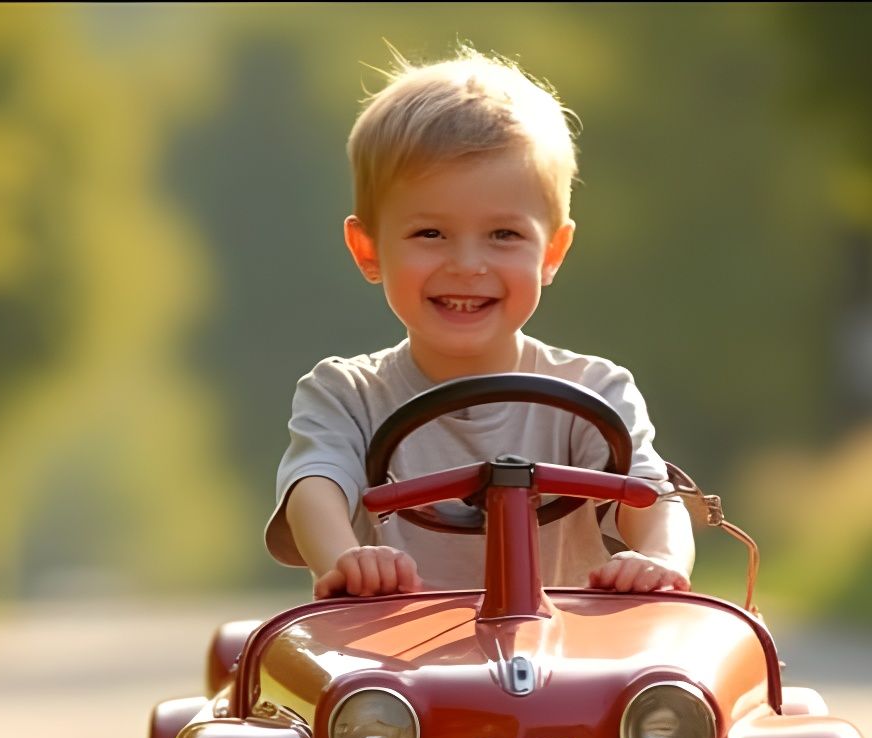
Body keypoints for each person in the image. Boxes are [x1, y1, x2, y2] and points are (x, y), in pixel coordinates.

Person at [264, 46, 694, 599]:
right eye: (430, 234)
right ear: (368, 248)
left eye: (504, 235)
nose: (467, 265)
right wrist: (344, 559)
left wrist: (658, 557)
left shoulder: (595, 391)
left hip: (563, 665)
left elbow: (650, 498)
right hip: (393, 665)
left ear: (552, 251)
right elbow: (315, 485)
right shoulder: (347, 394)